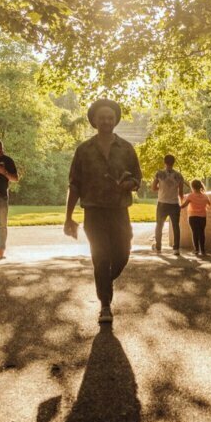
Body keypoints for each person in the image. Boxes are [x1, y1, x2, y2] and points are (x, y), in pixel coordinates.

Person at [64, 99, 142, 325]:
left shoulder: (126, 148)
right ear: (94, 121)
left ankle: (104, 282)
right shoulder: (83, 150)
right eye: (102, 117)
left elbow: (137, 178)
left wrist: (131, 184)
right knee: (101, 257)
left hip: (119, 211)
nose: (106, 121)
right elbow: (74, 184)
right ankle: (105, 305)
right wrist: (68, 217)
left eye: (110, 117)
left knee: (122, 255)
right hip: (94, 211)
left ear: (115, 119)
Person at [150, 154, 185, 253]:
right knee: (175, 226)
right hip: (174, 204)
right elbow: (181, 192)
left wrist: (160, 188)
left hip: (162, 204)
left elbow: (153, 188)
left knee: (159, 225)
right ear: (173, 163)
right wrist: (181, 202)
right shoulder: (179, 176)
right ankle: (176, 249)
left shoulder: (159, 174)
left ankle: (158, 247)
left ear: (164, 162)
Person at [180, 179, 211, 256]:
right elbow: (209, 204)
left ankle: (196, 250)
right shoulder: (205, 196)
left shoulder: (191, 196)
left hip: (193, 217)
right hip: (202, 217)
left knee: (195, 233)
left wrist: (179, 202)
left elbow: (183, 206)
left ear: (192, 187)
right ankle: (203, 250)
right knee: (201, 233)